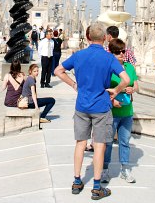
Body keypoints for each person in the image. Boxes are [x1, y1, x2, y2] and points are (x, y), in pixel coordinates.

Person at [55, 22, 130, 200]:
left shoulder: (79, 55)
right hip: (102, 107)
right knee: (99, 146)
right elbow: (125, 79)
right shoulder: (109, 58)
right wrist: (116, 91)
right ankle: (97, 187)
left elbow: (58, 70)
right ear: (105, 38)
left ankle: (76, 181)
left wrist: (74, 85)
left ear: (88, 37)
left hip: (82, 106)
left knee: (80, 143)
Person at [102, 38, 139, 184]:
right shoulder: (107, 68)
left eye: (123, 51)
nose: (122, 54)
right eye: (118, 52)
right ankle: (105, 170)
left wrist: (132, 89)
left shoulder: (129, 67)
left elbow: (136, 85)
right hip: (112, 112)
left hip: (127, 112)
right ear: (111, 53)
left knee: (124, 142)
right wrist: (112, 100)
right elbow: (102, 89)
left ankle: (125, 169)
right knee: (109, 142)